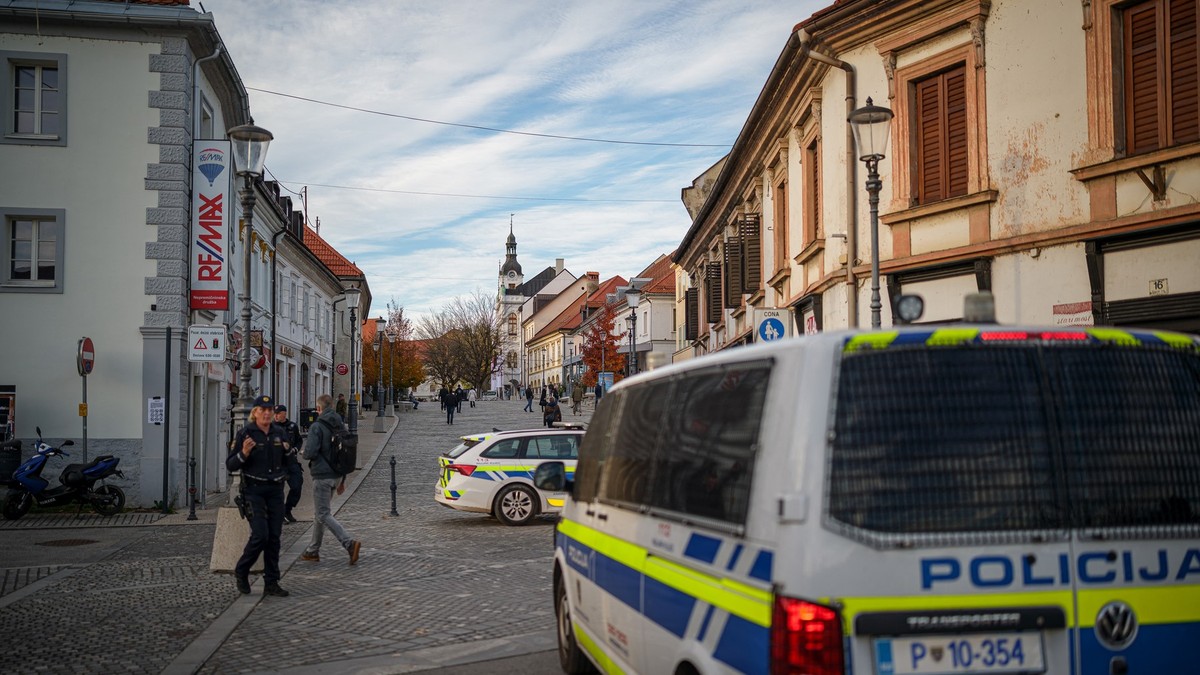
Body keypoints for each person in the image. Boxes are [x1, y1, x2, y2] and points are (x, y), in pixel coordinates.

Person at [226, 394, 290, 597]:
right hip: (253, 490)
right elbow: (231, 465)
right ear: (255, 412)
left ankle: (271, 582)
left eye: (270, 410)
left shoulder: (279, 432)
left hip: (275, 491)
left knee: (274, 538)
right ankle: (242, 570)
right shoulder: (246, 433)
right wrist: (243, 453)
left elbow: (287, 461)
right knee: (260, 535)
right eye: (263, 410)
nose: (267, 413)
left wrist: (288, 454)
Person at [299, 394, 361, 566]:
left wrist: (304, 453)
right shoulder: (339, 423)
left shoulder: (317, 426)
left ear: (319, 408)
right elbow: (345, 451)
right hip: (337, 475)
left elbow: (311, 452)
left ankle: (349, 543)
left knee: (323, 514)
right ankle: (313, 550)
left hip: (322, 475)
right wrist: (343, 480)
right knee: (320, 513)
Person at [273, 405, 303, 524]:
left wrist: (295, 449)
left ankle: (287, 509)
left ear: (284, 414)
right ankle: (279, 515)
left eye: (278, 414)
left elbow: (299, 440)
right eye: (275, 414)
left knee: (297, 486)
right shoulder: (271, 427)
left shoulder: (292, 426)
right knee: (278, 491)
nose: (275, 416)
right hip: (278, 463)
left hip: (291, 461)